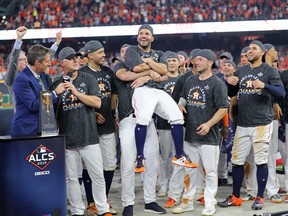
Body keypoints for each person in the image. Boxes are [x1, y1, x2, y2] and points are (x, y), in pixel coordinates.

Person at [217, 40, 285, 211]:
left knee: (261, 161)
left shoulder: (270, 71)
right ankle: (235, 197)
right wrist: (230, 83)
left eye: (254, 48)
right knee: (237, 161)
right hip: (243, 123)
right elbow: (233, 93)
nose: (249, 51)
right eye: (248, 49)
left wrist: (265, 85)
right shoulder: (241, 70)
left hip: (262, 123)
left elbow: (281, 93)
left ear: (262, 53)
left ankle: (260, 197)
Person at [124, 24, 196, 172]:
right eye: (141, 33)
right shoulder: (132, 50)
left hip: (159, 90)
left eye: (147, 33)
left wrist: (149, 63)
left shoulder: (159, 53)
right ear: (137, 36)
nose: (144, 36)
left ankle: (180, 155)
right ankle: (139, 158)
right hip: (142, 89)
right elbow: (136, 68)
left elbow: (164, 70)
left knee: (177, 117)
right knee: (143, 118)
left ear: (152, 37)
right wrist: (151, 71)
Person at [49, 47, 112, 216]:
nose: (76, 61)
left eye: (77, 57)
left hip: (89, 136)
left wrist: (75, 92)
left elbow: (97, 102)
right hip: (67, 140)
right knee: (71, 179)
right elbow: (51, 114)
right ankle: (76, 210)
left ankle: (102, 209)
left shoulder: (88, 78)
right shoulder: (55, 84)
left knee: (97, 175)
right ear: (62, 63)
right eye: (71, 59)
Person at [172, 49, 228, 216]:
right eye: (196, 60)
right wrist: (180, 105)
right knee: (189, 171)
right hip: (190, 135)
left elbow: (223, 108)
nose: (196, 62)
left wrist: (209, 124)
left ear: (211, 62)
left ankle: (210, 203)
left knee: (210, 172)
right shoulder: (190, 80)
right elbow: (183, 98)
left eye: (201, 60)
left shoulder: (217, 83)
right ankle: (187, 202)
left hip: (209, 136)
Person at [113, 44, 166, 215]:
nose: (125, 54)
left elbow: (163, 76)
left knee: (153, 161)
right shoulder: (119, 66)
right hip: (128, 120)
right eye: (123, 52)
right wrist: (149, 72)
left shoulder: (144, 65)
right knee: (128, 163)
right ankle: (128, 204)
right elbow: (125, 76)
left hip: (147, 120)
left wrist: (148, 73)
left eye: (129, 52)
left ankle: (150, 201)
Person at [79, 40, 118, 215]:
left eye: (103, 52)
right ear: (90, 55)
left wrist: (112, 113)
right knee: (89, 167)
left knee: (109, 165)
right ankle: (91, 203)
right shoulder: (80, 74)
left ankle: (104, 200)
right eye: (100, 52)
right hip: (89, 128)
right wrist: (93, 114)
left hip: (108, 127)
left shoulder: (109, 72)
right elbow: (77, 100)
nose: (104, 55)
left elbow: (114, 95)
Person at [10, 44, 61, 136]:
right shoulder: (22, 78)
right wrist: (55, 93)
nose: (49, 64)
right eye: (47, 61)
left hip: (43, 127)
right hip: (26, 130)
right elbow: (33, 105)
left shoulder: (43, 76)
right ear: (38, 64)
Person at [4, 26, 62, 108]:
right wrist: (19, 39)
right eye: (22, 59)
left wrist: (57, 43)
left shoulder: (31, 72)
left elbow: (43, 59)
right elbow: (13, 62)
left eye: (26, 59)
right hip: (25, 117)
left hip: (40, 114)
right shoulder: (11, 78)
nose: (26, 61)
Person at [157, 52, 181, 197]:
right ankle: (163, 184)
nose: (171, 63)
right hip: (163, 124)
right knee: (164, 156)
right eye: (169, 61)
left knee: (177, 155)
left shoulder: (183, 79)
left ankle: (175, 185)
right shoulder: (161, 80)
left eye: (174, 60)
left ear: (179, 62)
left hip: (179, 124)